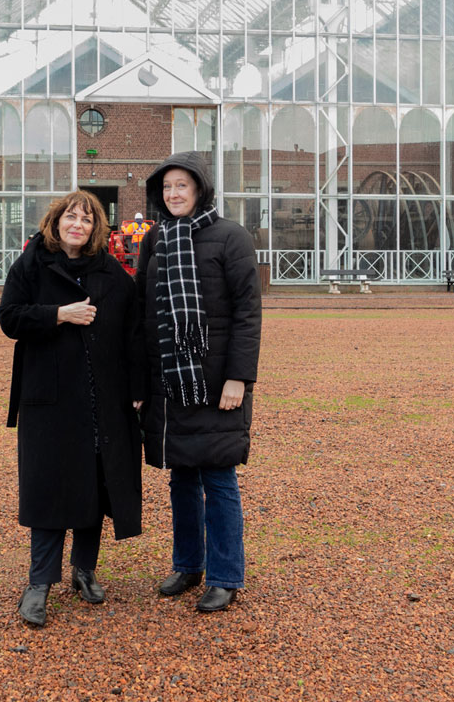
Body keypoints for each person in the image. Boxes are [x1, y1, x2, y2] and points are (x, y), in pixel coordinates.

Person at [0, 190, 145, 628]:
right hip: (49, 398)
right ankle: (39, 582)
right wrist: (59, 314)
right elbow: (9, 318)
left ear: (96, 227)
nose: (77, 225)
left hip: (103, 397)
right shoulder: (32, 263)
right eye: (70, 218)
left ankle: (84, 569)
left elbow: (133, 333)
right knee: (48, 485)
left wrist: (138, 388)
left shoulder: (112, 273)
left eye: (86, 219)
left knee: (93, 484)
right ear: (56, 222)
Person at [135, 152, 262, 613]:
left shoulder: (231, 237)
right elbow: (142, 311)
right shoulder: (154, 240)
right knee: (181, 476)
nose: (173, 194)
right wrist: (139, 381)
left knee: (219, 475)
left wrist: (238, 378)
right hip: (168, 377)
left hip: (215, 380)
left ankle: (226, 575)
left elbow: (248, 313)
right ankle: (188, 564)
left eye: (181, 186)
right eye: (166, 187)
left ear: (200, 188)